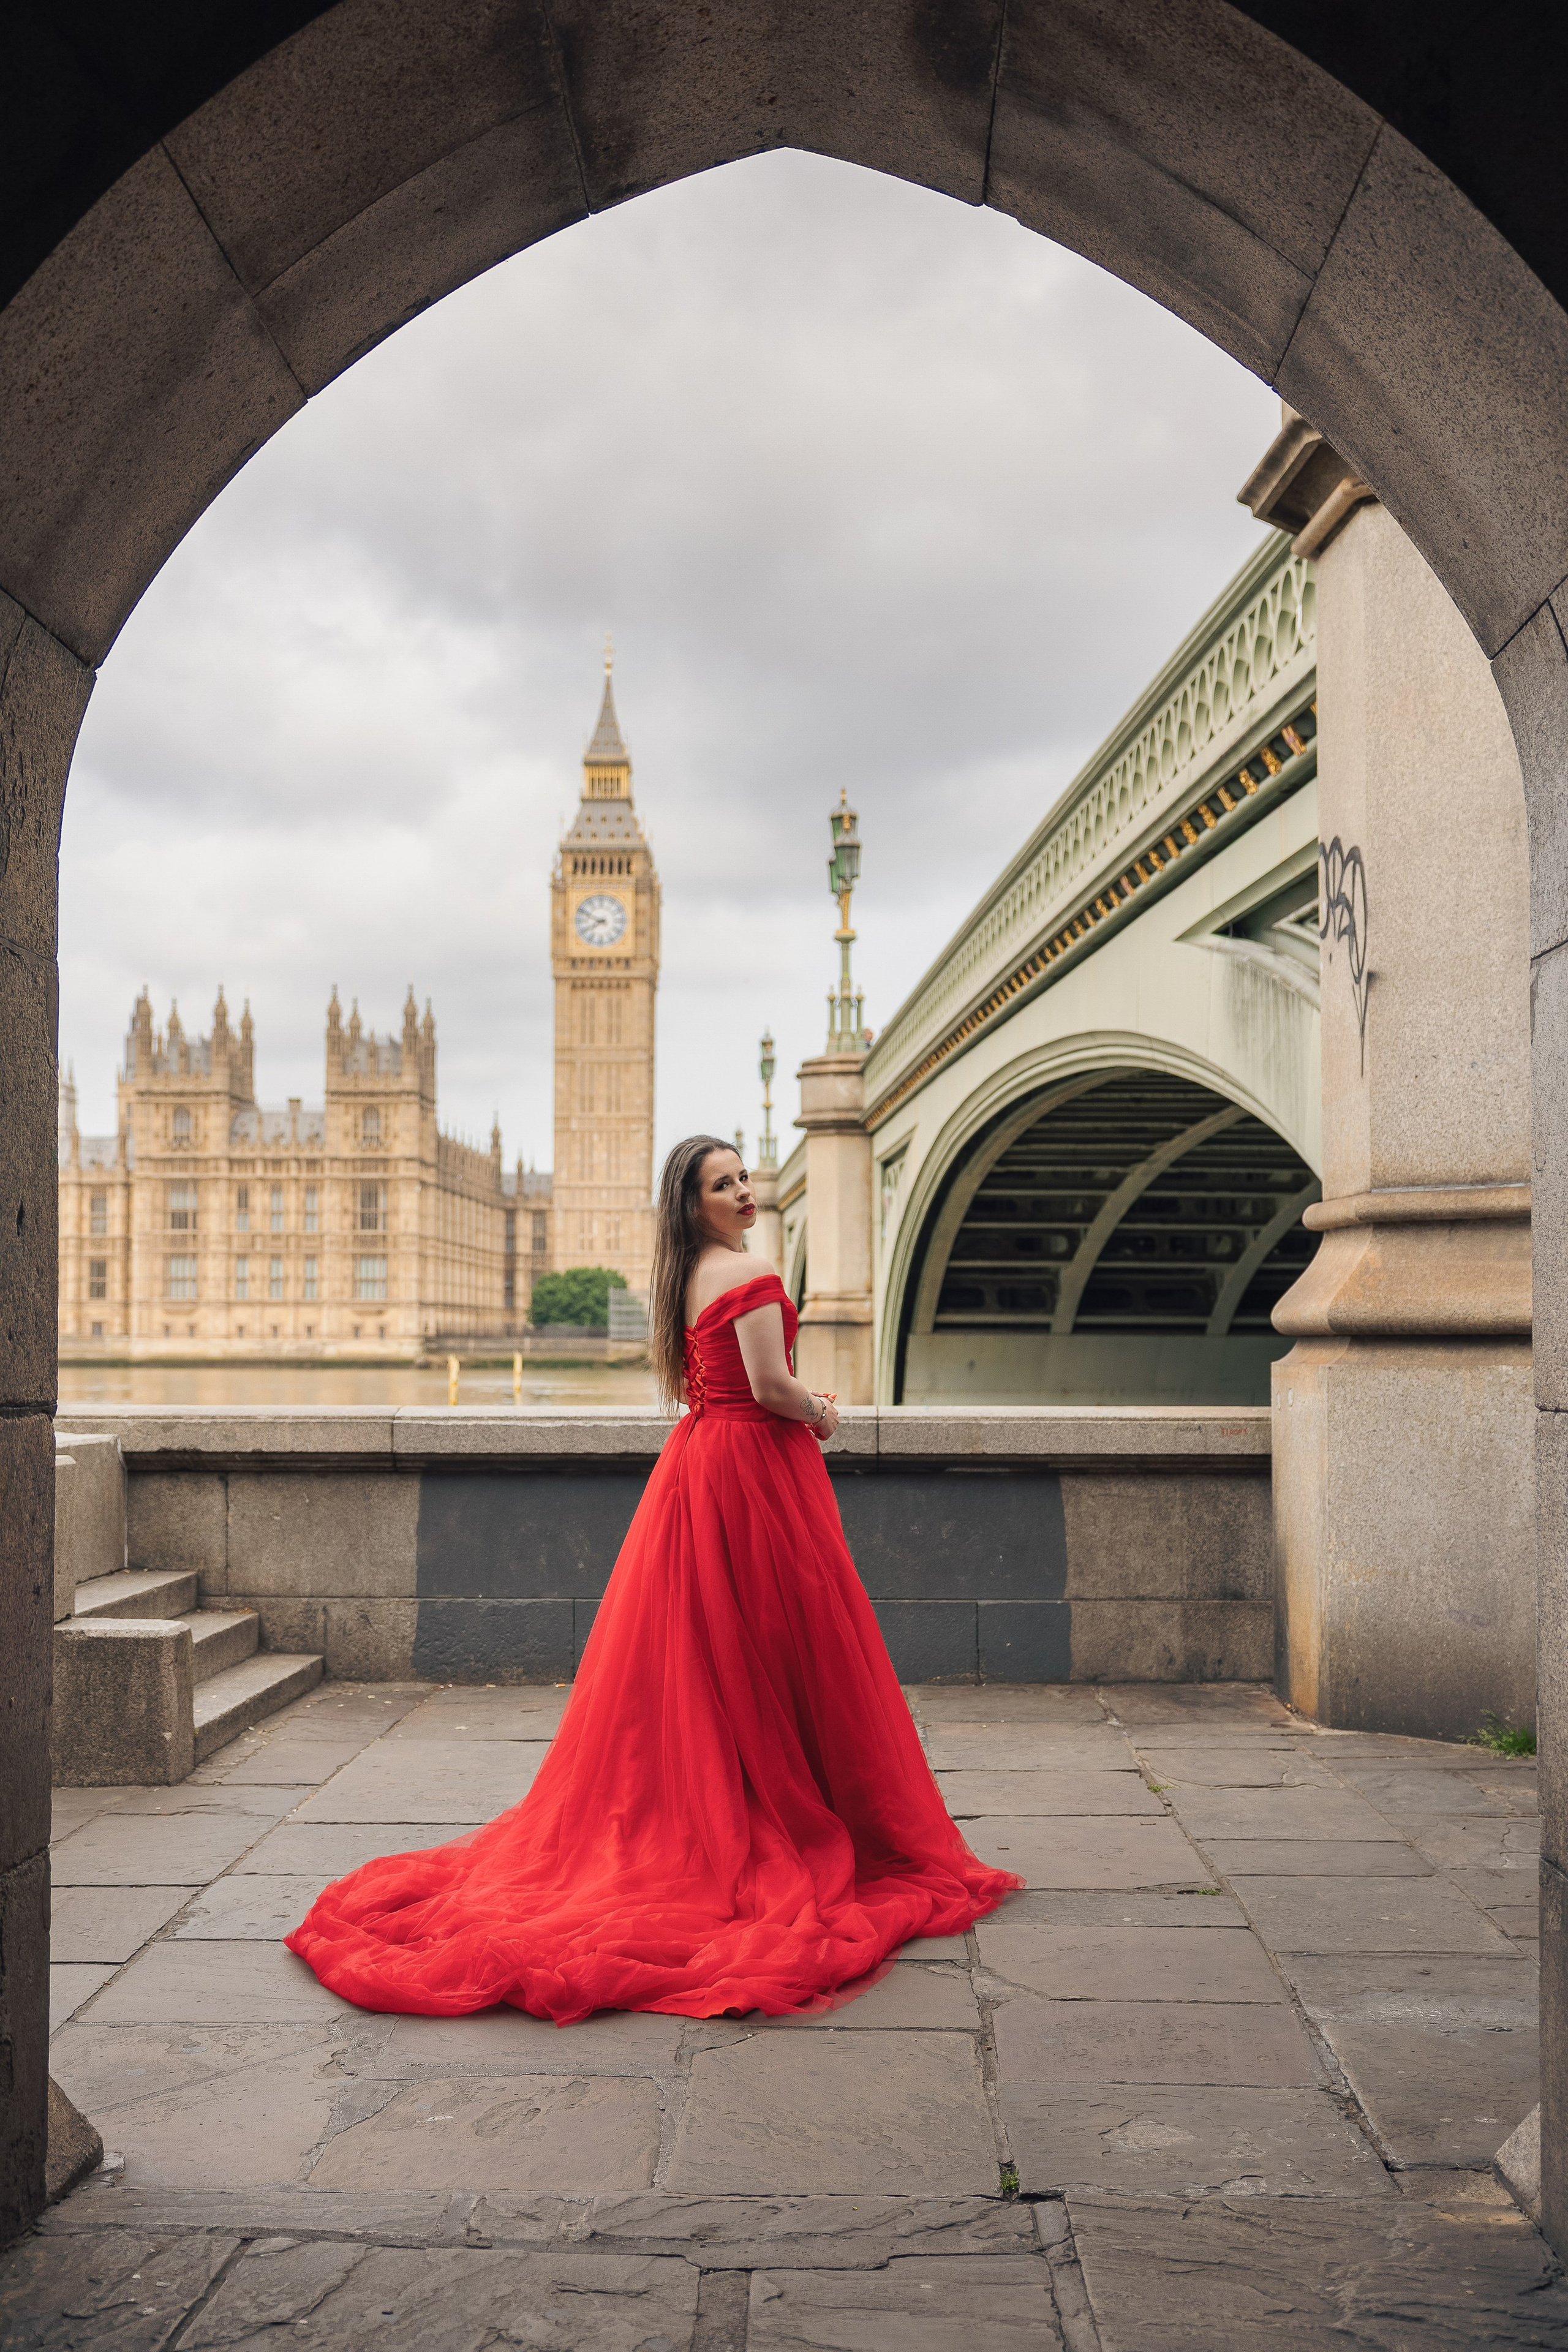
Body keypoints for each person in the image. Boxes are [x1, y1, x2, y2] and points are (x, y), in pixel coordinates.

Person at [285, 1135, 1019, 2021]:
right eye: (723, 1184)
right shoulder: (750, 1273)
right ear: (692, 1203)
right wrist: (823, 1411)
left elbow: (716, 1383)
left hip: (698, 1466)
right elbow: (771, 1387)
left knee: (704, 1655)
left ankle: (723, 1800)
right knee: (778, 1643)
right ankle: (778, 1807)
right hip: (756, 1470)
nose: (744, 1192)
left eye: (744, 1177)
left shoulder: (685, 1277)